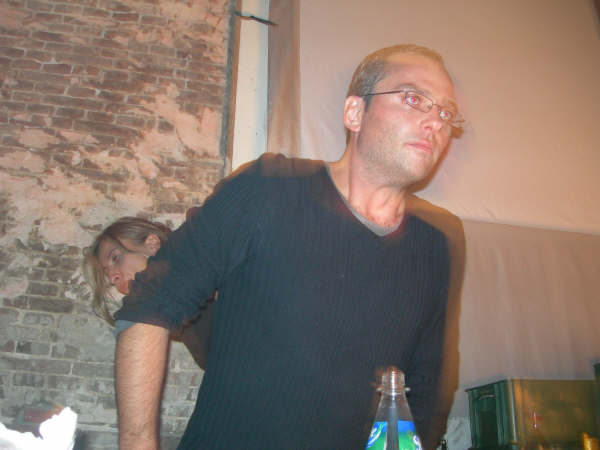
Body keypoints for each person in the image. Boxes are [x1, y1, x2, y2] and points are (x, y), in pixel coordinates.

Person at [114, 44, 463, 449]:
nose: (435, 122)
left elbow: (427, 388)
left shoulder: (438, 242)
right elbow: (152, 303)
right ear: (355, 112)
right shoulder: (267, 187)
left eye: (446, 113)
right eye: (414, 99)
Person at [83, 217, 214, 370]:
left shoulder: (202, 263)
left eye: (116, 258)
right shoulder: (169, 313)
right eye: (107, 273)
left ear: (152, 244)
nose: (112, 277)